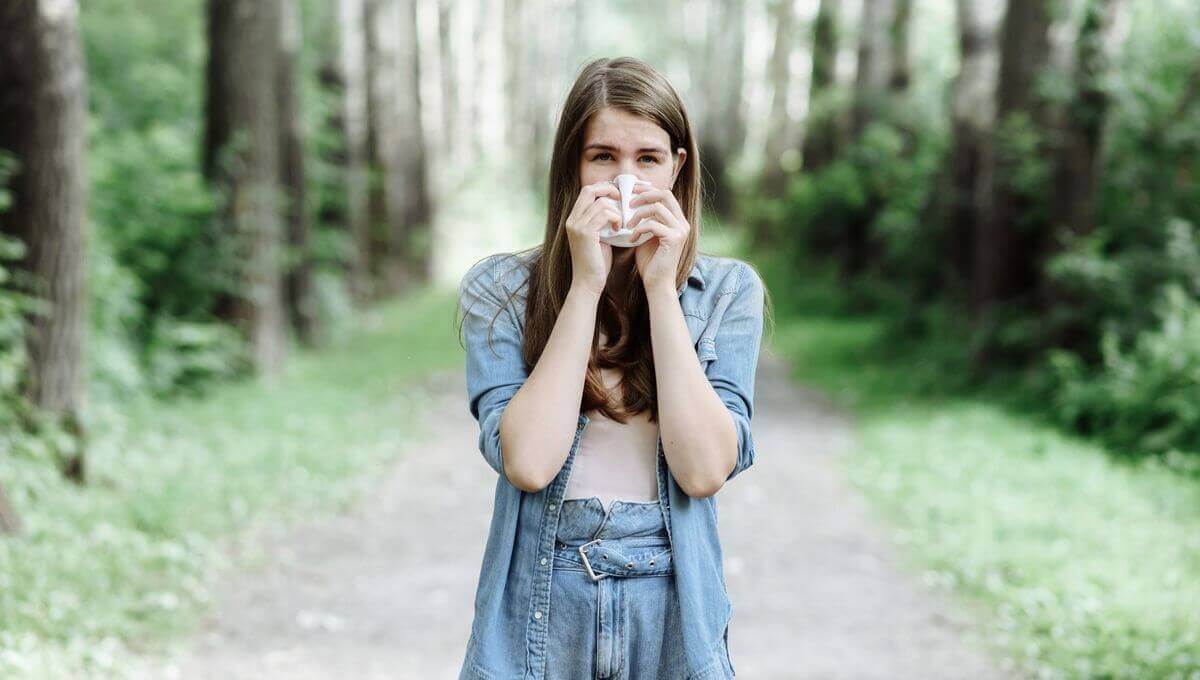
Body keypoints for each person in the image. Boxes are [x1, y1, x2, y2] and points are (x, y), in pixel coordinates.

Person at [456, 56, 767, 680]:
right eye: (603, 157)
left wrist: (659, 289)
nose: (626, 179)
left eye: (648, 159)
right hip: (541, 605)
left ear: (678, 168)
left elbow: (705, 469)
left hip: (673, 607)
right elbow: (529, 463)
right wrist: (585, 284)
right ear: (572, 166)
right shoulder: (500, 289)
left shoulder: (728, 292)